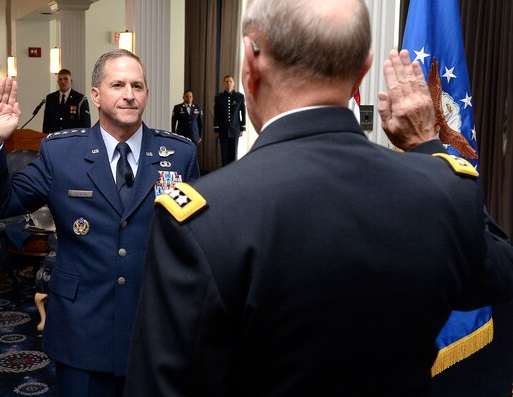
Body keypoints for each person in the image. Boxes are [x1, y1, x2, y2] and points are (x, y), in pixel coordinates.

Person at [124, 1, 513, 396]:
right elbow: (500, 274)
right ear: (364, 68)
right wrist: (430, 147)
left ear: (250, 64)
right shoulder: (441, 191)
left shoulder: (201, 219)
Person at [0, 49, 199, 396]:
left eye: (137, 86)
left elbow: (192, 238)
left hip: (155, 331)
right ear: (95, 94)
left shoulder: (179, 154)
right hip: (82, 330)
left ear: (147, 94)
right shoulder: (61, 153)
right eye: (118, 84)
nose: (129, 94)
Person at [41, 68, 91, 134]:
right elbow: (46, 122)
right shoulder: (51, 98)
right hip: (55, 139)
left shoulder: (80, 99)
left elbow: (85, 125)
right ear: (58, 82)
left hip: (72, 139)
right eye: (60, 79)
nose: (63, 82)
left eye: (65, 79)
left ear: (71, 81)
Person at [213, 74, 245, 166]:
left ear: (234, 83)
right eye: (226, 81)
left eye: (230, 81)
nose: (228, 83)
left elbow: (243, 113)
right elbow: (216, 114)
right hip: (223, 130)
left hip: (235, 130)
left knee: (233, 155)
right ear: (224, 83)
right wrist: (216, 129)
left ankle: (232, 175)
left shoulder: (239, 96)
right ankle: (224, 175)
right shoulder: (219, 97)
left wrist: (242, 128)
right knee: (224, 155)